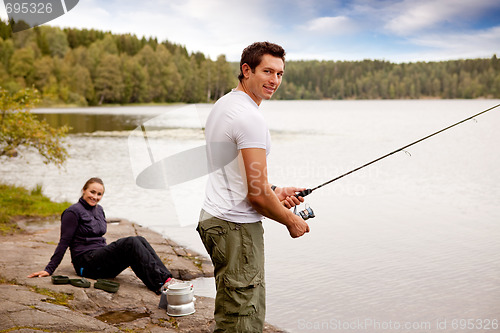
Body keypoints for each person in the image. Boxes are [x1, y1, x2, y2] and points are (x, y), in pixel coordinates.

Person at [197, 42, 310, 332]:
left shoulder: (225, 105)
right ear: (246, 70)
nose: (275, 80)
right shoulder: (250, 118)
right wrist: (290, 221)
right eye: (267, 71)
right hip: (235, 229)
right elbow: (257, 196)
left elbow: (235, 173)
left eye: (280, 74)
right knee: (242, 320)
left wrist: (276, 191)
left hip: (215, 218)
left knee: (232, 309)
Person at [28, 177, 175, 294]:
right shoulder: (72, 212)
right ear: (84, 190)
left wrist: (110, 255)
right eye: (92, 192)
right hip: (86, 264)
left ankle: (167, 279)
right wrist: (49, 269)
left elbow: (100, 241)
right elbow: (64, 242)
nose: (95, 197)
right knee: (130, 242)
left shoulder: (99, 210)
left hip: (100, 261)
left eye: (99, 194)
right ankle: (160, 284)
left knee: (139, 240)